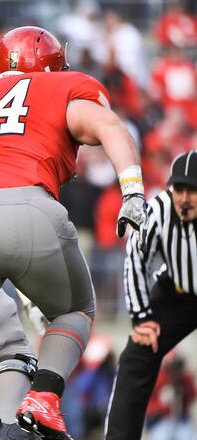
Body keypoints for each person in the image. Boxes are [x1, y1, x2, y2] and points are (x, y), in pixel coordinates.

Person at [0, 26, 148, 440]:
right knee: (76, 310)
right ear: (53, 66)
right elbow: (110, 127)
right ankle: (44, 396)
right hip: (29, 202)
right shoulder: (62, 87)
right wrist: (132, 189)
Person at [105, 150, 197, 439]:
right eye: (179, 189)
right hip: (177, 293)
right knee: (136, 355)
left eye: (192, 191)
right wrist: (141, 316)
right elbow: (135, 258)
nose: (184, 198)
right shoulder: (158, 210)